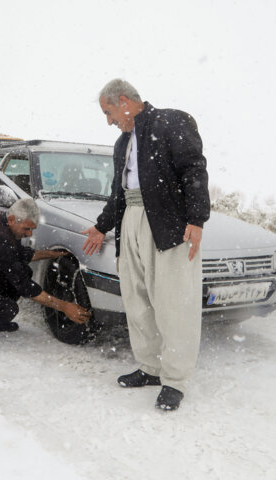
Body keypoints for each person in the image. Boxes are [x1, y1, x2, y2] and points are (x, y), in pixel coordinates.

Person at [81, 79, 210, 411]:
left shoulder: (170, 121)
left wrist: (196, 218)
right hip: (132, 221)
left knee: (174, 302)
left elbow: (193, 169)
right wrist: (101, 226)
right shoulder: (121, 144)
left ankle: (175, 380)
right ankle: (151, 368)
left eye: (109, 112)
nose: (109, 120)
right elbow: (118, 193)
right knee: (138, 300)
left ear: (124, 100)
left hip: (168, 224)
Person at [0, 199, 92, 347]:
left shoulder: (0, 219)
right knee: (8, 309)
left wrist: (50, 254)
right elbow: (25, 286)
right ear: (12, 219)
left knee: (23, 271)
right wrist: (65, 307)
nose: (29, 234)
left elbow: (18, 253)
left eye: (32, 229)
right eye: (26, 229)